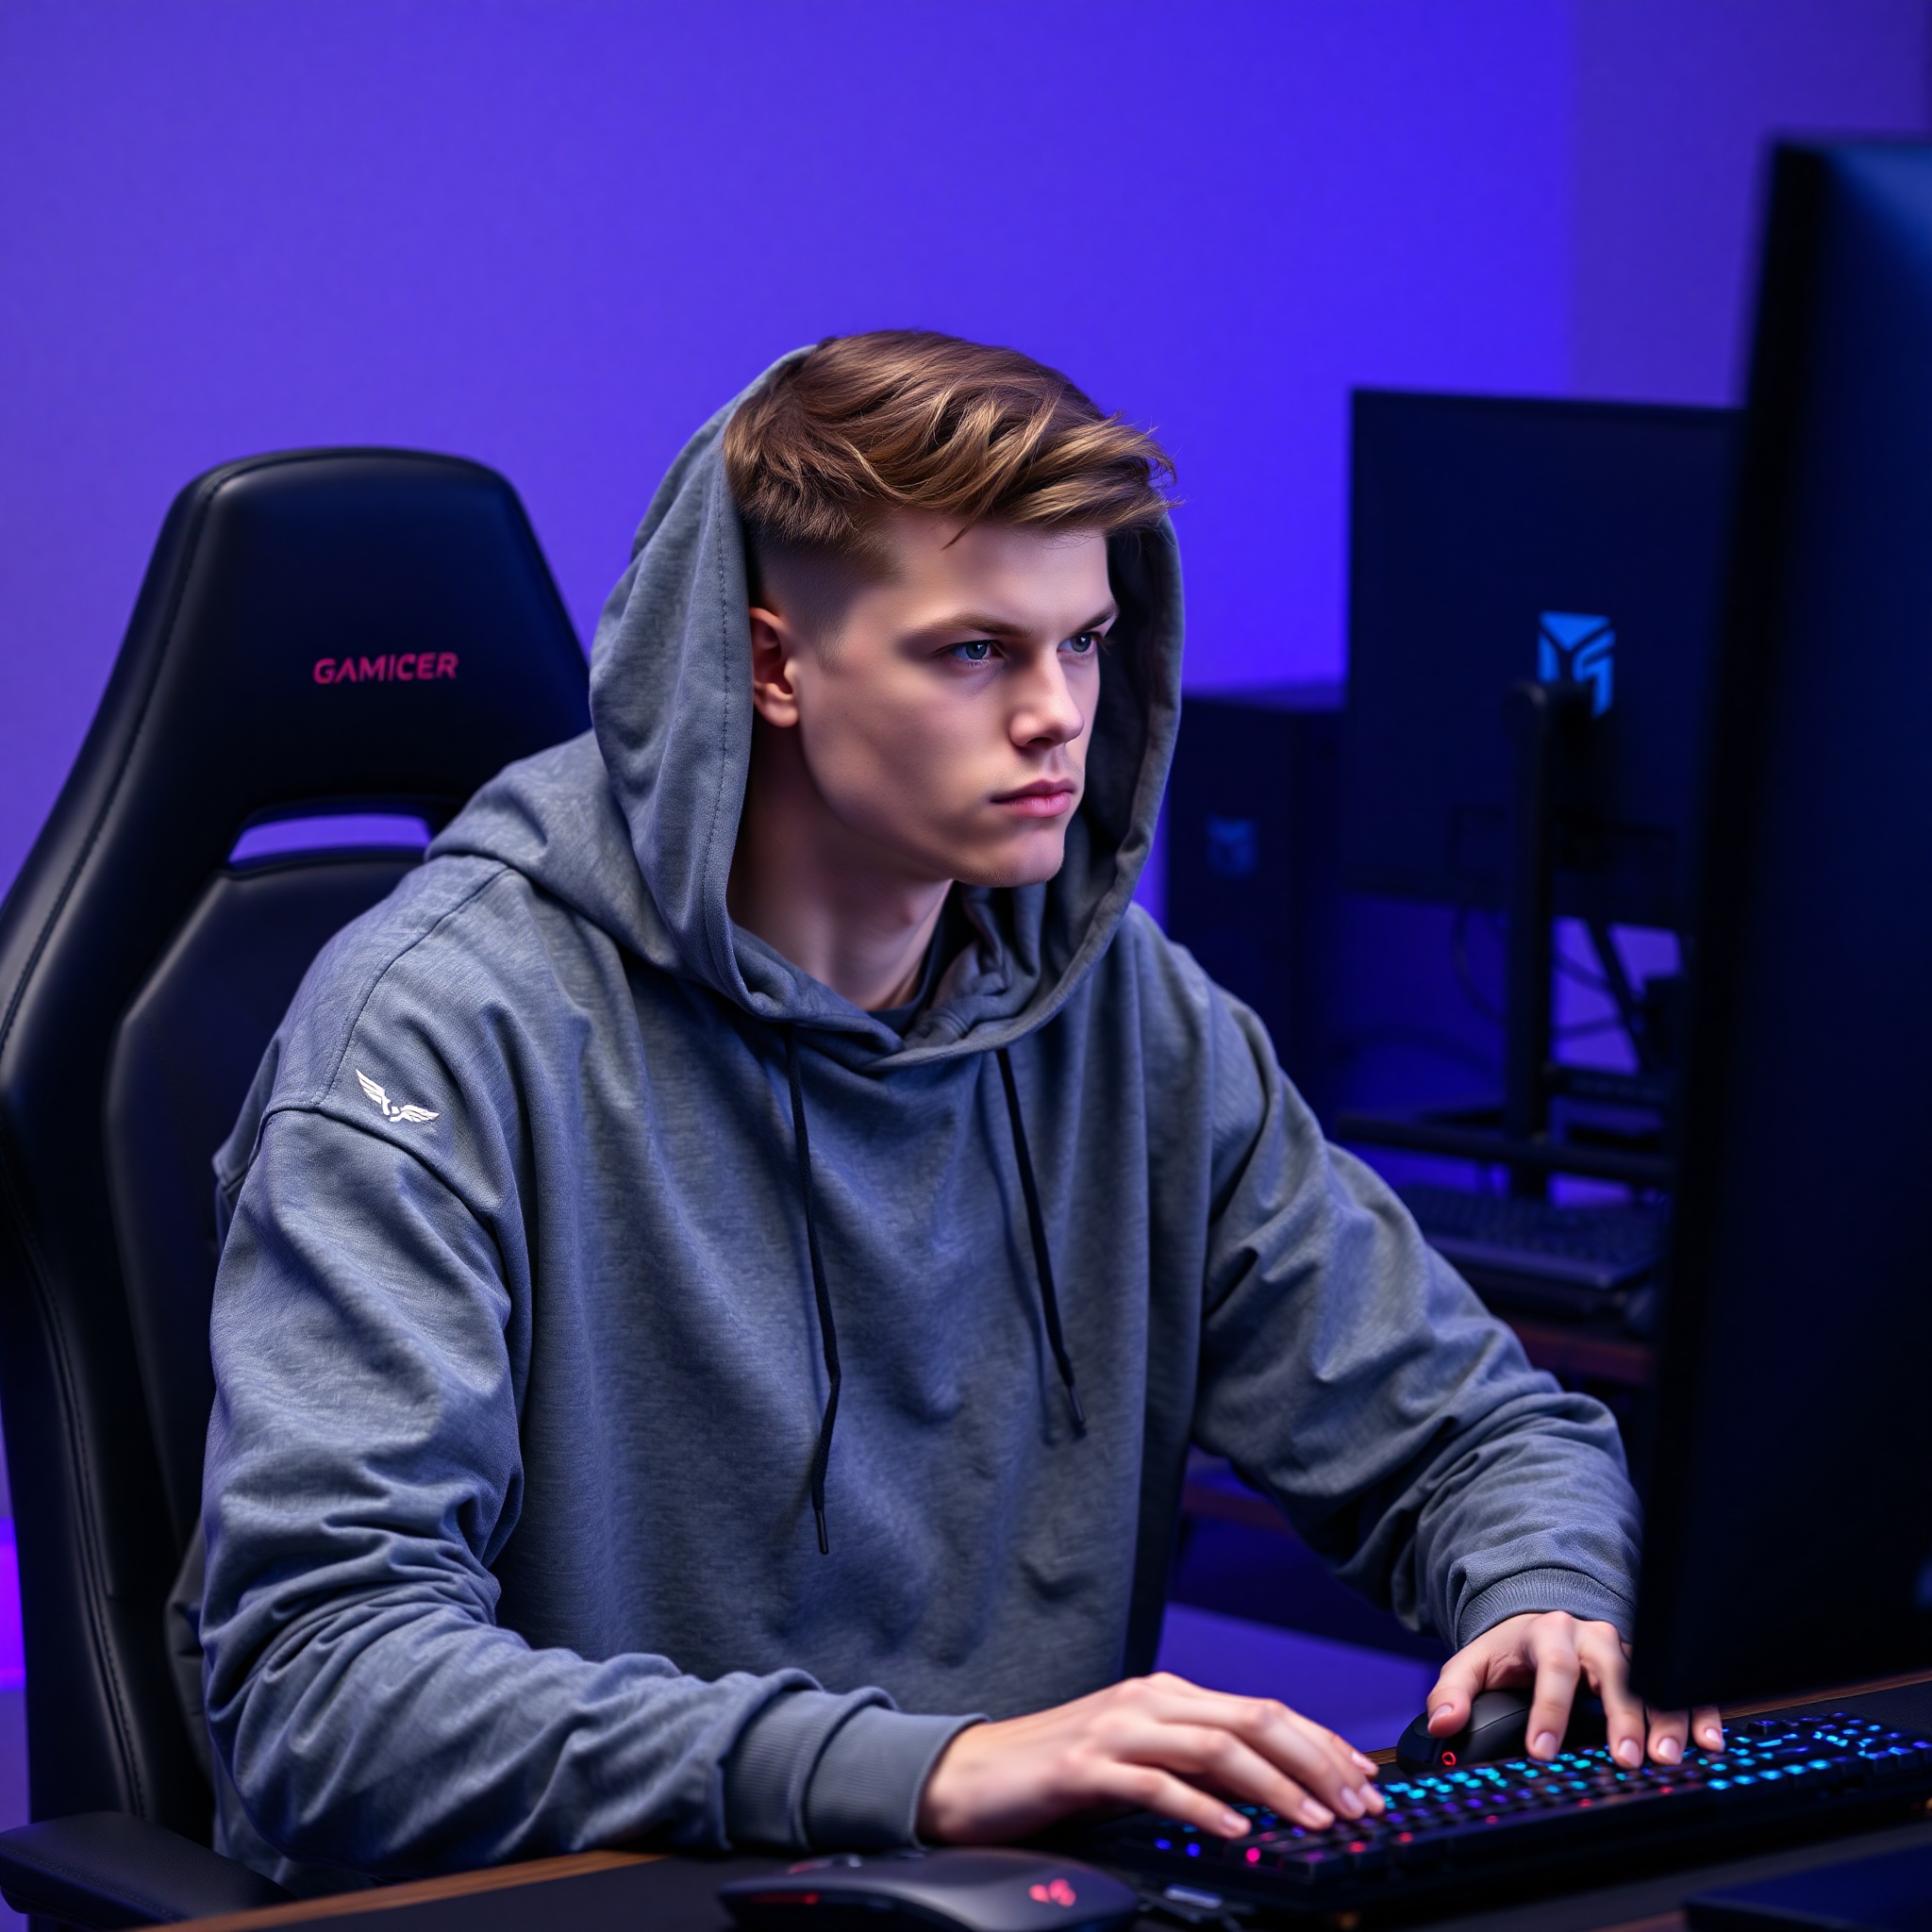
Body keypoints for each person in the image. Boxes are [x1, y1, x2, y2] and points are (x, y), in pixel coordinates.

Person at [197, 332, 1718, 1893]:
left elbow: (1472, 1434)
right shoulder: (439, 1029)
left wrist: (1549, 1591)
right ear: (774, 667)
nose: (1062, 715)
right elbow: (322, 1692)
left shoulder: (1126, 1017)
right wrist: (924, 1769)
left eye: (1086, 641)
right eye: (976, 651)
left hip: (1015, 1907)